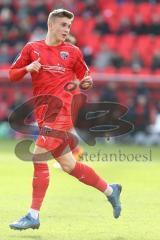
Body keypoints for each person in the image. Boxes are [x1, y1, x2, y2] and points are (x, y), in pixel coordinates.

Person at [9, 9, 122, 231]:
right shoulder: (32, 49)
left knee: (38, 157)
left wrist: (87, 82)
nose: (66, 30)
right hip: (43, 115)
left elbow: (85, 78)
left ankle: (33, 215)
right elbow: (12, 74)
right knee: (69, 165)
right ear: (51, 25)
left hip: (60, 113)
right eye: (63, 25)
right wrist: (27, 68)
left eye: (68, 26)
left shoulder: (73, 52)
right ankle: (111, 190)